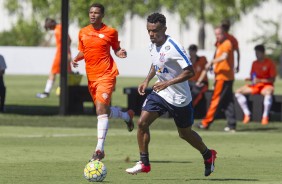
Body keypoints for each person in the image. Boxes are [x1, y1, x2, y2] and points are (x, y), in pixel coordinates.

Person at [125, 13, 217, 177]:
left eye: (155, 31)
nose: (152, 34)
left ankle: (208, 155)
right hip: (160, 94)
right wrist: (147, 80)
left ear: (164, 29)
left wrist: (167, 83)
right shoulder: (152, 45)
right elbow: (156, 64)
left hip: (180, 98)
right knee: (142, 123)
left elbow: (190, 72)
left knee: (185, 134)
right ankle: (144, 163)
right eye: (149, 31)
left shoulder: (174, 47)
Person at [71, 3, 135, 161]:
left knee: (100, 109)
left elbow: (116, 48)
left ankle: (99, 149)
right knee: (103, 110)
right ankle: (126, 116)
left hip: (106, 74)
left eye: (96, 13)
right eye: (91, 12)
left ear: (102, 15)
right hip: (91, 77)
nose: (93, 15)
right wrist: (76, 58)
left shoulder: (110, 32)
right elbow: (84, 50)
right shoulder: (83, 32)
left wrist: (121, 52)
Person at [197, 26, 237, 132]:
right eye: (216, 34)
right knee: (228, 101)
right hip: (224, 76)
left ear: (224, 34)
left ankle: (206, 123)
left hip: (223, 77)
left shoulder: (227, 43)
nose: (217, 36)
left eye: (219, 34)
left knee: (216, 100)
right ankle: (232, 124)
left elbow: (224, 57)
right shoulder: (219, 44)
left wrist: (211, 62)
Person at [235, 45, 276, 125]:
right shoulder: (254, 63)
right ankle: (247, 114)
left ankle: (265, 116)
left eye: (258, 53)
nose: (257, 55)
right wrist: (250, 79)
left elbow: (272, 79)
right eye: (256, 53)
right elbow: (253, 77)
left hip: (266, 85)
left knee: (268, 93)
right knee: (238, 92)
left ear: (263, 53)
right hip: (255, 86)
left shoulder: (270, 63)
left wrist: (260, 80)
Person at [37, 18, 72, 98]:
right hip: (65, 53)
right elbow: (69, 40)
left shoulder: (57, 30)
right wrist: (69, 52)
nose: (48, 28)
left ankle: (47, 92)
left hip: (60, 54)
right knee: (67, 72)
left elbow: (65, 41)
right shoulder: (61, 27)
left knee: (53, 72)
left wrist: (67, 53)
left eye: (48, 27)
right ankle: (65, 90)